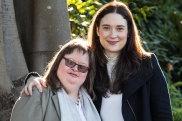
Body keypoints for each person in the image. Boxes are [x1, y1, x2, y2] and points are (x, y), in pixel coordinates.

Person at [21, 1, 174, 121]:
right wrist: (34, 78)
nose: (113, 35)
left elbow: (164, 116)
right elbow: (60, 77)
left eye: (120, 28)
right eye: (106, 28)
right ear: (98, 31)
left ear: (128, 33)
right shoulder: (88, 63)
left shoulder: (147, 64)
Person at [10, 38, 101, 121]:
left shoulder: (91, 98)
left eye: (82, 67)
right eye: (70, 62)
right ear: (58, 61)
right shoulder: (37, 93)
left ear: (88, 72)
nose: (75, 69)